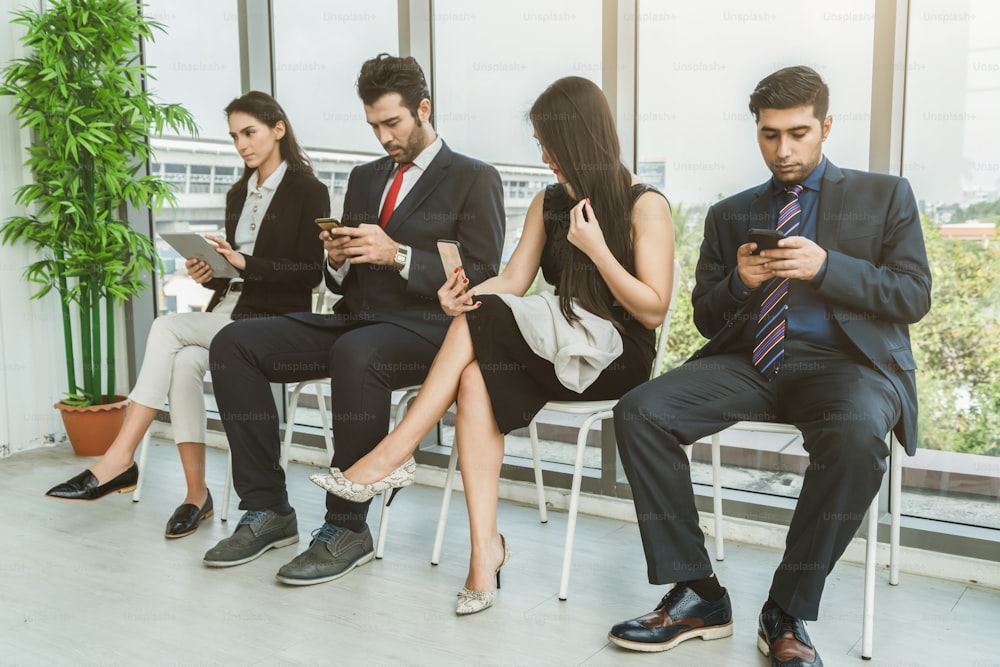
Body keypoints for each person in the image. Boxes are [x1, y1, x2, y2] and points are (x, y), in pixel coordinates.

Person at [311, 75, 675, 615]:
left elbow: (653, 308)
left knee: (485, 331)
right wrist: (461, 293)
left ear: (580, 138)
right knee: (476, 372)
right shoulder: (547, 203)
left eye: (550, 143)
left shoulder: (646, 205)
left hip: (618, 355)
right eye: (539, 143)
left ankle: (393, 452)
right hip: (559, 341)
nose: (545, 155)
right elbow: (511, 282)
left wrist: (597, 249)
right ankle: (486, 552)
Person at [607, 66, 931, 667]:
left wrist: (826, 267)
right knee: (641, 411)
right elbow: (706, 316)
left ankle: (787, 608)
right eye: (769, 135)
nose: (783, 150)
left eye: (799, 134)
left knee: (859, 432)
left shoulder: (884, 196)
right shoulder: (730, 213)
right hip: (751, 364)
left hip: (846, 367)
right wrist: (739, 282)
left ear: (826, 127)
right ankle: (700, 594)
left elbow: (912, 295)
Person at [202, 54, 506, 582]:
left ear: (423, 109)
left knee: (357, 352)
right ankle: (268, 508)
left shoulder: (475, 178)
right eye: (374, 126)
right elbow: (341, 278)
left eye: (393, 123)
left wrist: (401, 255)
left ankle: (348, 527)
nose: (384, 137)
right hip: (357, 322)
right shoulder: (365, 178)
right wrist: (337, 261)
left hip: (431, 332)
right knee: (234, 343)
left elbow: (480, 278)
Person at [45, 92, 329, 540]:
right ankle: (197, 494)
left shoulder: (308, 190)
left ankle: (119, 459)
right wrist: (211, 274)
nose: (241, 144)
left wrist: (243, 264)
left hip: (273, 324)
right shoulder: (239, 193)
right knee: (181, 362)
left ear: (278, 129)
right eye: (235, 136)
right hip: (229, 312)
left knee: (166, 325)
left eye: (249, 132)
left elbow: (311, 275)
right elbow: (232, 278)